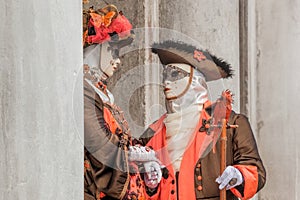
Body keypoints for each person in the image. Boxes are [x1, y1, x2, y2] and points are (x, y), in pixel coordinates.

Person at [139, 40, 266, 200]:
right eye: (164, 76)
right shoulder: (153, 132)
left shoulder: (230, 123)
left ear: (195, 80)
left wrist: (239, 175)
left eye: (175, 75)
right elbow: (132, 181)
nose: (167, 82)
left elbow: (255, 170)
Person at [83, 5, 162, 200]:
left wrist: (143, 163)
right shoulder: (82, 89)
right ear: (97, 48)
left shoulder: (100, 92)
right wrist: (131, 154)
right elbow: (97, 142)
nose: (118, 61)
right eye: (113, 52)